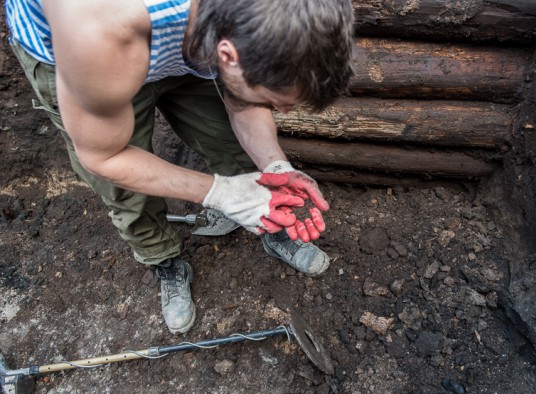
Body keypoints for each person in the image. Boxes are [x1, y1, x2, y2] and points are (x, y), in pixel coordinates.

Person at [5, 0, 354, 333]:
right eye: (274, 101)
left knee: (229, 144)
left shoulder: (244, 24)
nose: (284, 114)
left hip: (186, 38)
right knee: (128, 190)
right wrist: (222, 193)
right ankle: (163, 259)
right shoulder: (99, 30)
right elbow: (105, 156)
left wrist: (273, 165)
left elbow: (245, 103)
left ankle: (268, 220)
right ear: (227, 54)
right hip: (88, 59)